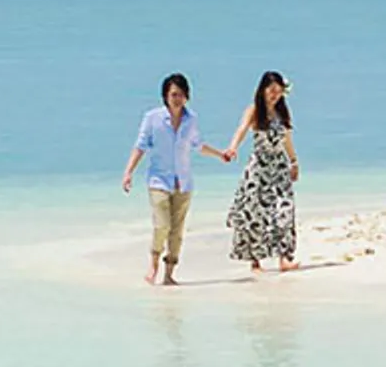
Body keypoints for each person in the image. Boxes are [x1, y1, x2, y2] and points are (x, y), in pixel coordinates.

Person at [120, 73, 235, 286]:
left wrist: (221, 155)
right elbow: (140, 146)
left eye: (181, 94)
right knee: (162, 225)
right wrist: (128, 172)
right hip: (158, 181)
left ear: (186, 96)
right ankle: (154, 263)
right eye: (173, 94)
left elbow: (198, 145)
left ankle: (169, 273)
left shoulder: (191, 120)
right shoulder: (152, 118)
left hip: (183, 183)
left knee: (177, 231)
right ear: (165, 96)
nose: (177, 98)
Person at [225, 71, 303, 273]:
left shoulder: (283, 113)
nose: (275, 95)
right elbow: (241, 130)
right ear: (262, 90)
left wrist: (294, 162)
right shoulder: (253, 111)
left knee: (284, 211)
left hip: (279, 169)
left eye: (278, 91)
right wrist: (232, 148)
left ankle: (284, 259)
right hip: (258, 170)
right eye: (271, 91)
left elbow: (287, 140)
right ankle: (255, 261)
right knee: (256, 215)